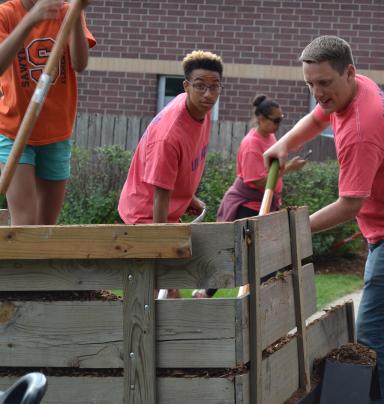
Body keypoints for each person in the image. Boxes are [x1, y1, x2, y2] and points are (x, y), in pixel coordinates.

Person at [263, 35, 384, 404]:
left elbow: (349, 205)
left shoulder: (362, 130)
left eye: (324, 83)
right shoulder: (357, 88)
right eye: (310, 83)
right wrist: (285, 144)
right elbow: (318, 116)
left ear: (349, 72)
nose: (317, 92)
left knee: (372, 341)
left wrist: (294, 227)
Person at [118, 50, 223, 298]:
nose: (208, 94)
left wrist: (188, 197)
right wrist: (160, 247)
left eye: (215, 86)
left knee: (170, 293)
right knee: (156, 290)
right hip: (146, 214)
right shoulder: (169, 136)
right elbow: (159, 195)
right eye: (200, 87)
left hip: (165, 206)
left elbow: (180, 168)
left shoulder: (200, 111)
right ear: (186, 86)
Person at [193, 94, 306, 299]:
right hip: (249, 204)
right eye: (276, 120)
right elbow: (256, 181)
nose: (279, 125)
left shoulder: (270, 138)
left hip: (265, 204)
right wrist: (289, 169)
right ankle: (207, 292)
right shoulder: (251, 144)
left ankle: (255, 295)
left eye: (282, 118)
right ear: (261, 119)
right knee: (239, 254)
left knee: (262, 256)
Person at [0, 0, 95, 225]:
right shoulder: (6, 14)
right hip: (15, 130)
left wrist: (76, 12)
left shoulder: (67, 10)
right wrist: (31, 19)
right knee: (26, 222)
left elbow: (79, 64)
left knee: (46, 226)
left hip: (57, 131)